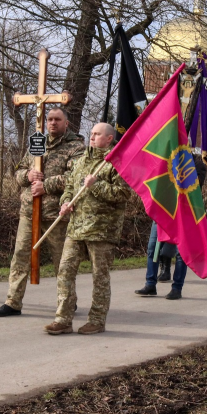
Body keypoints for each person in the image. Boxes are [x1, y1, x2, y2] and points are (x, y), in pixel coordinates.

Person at [0, 108, 83, 317]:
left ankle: (68, 301)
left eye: (57, 120)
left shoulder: (75, 147)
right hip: (29, 212)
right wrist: (28, 174)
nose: (52, 123)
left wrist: (46, 185)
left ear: (66, 123)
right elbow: (18, 172)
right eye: (49, 119)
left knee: (62, 262)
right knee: (20, 257)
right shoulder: (37, 142)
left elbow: (75, 177)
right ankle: (13, 302)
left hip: (56, 215)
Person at [45, 123, 131, 335]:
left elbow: (123, 194)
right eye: (91, 134)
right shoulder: (81, 161)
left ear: (109, 139)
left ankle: (97, 320)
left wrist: (96, 185)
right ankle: (63, 318)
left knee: (99, 276)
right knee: (64, 270)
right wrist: (65, 203)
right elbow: (70, 189)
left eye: (97, 134)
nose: (92, 137)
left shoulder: (116, 163)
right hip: (76, 227)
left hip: (102, 229)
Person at [135, 221, 188, 300]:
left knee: (181, 253)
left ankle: (177, 288)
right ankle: (150, 284)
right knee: (152, 250)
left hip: (182, 219)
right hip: (161, 216)